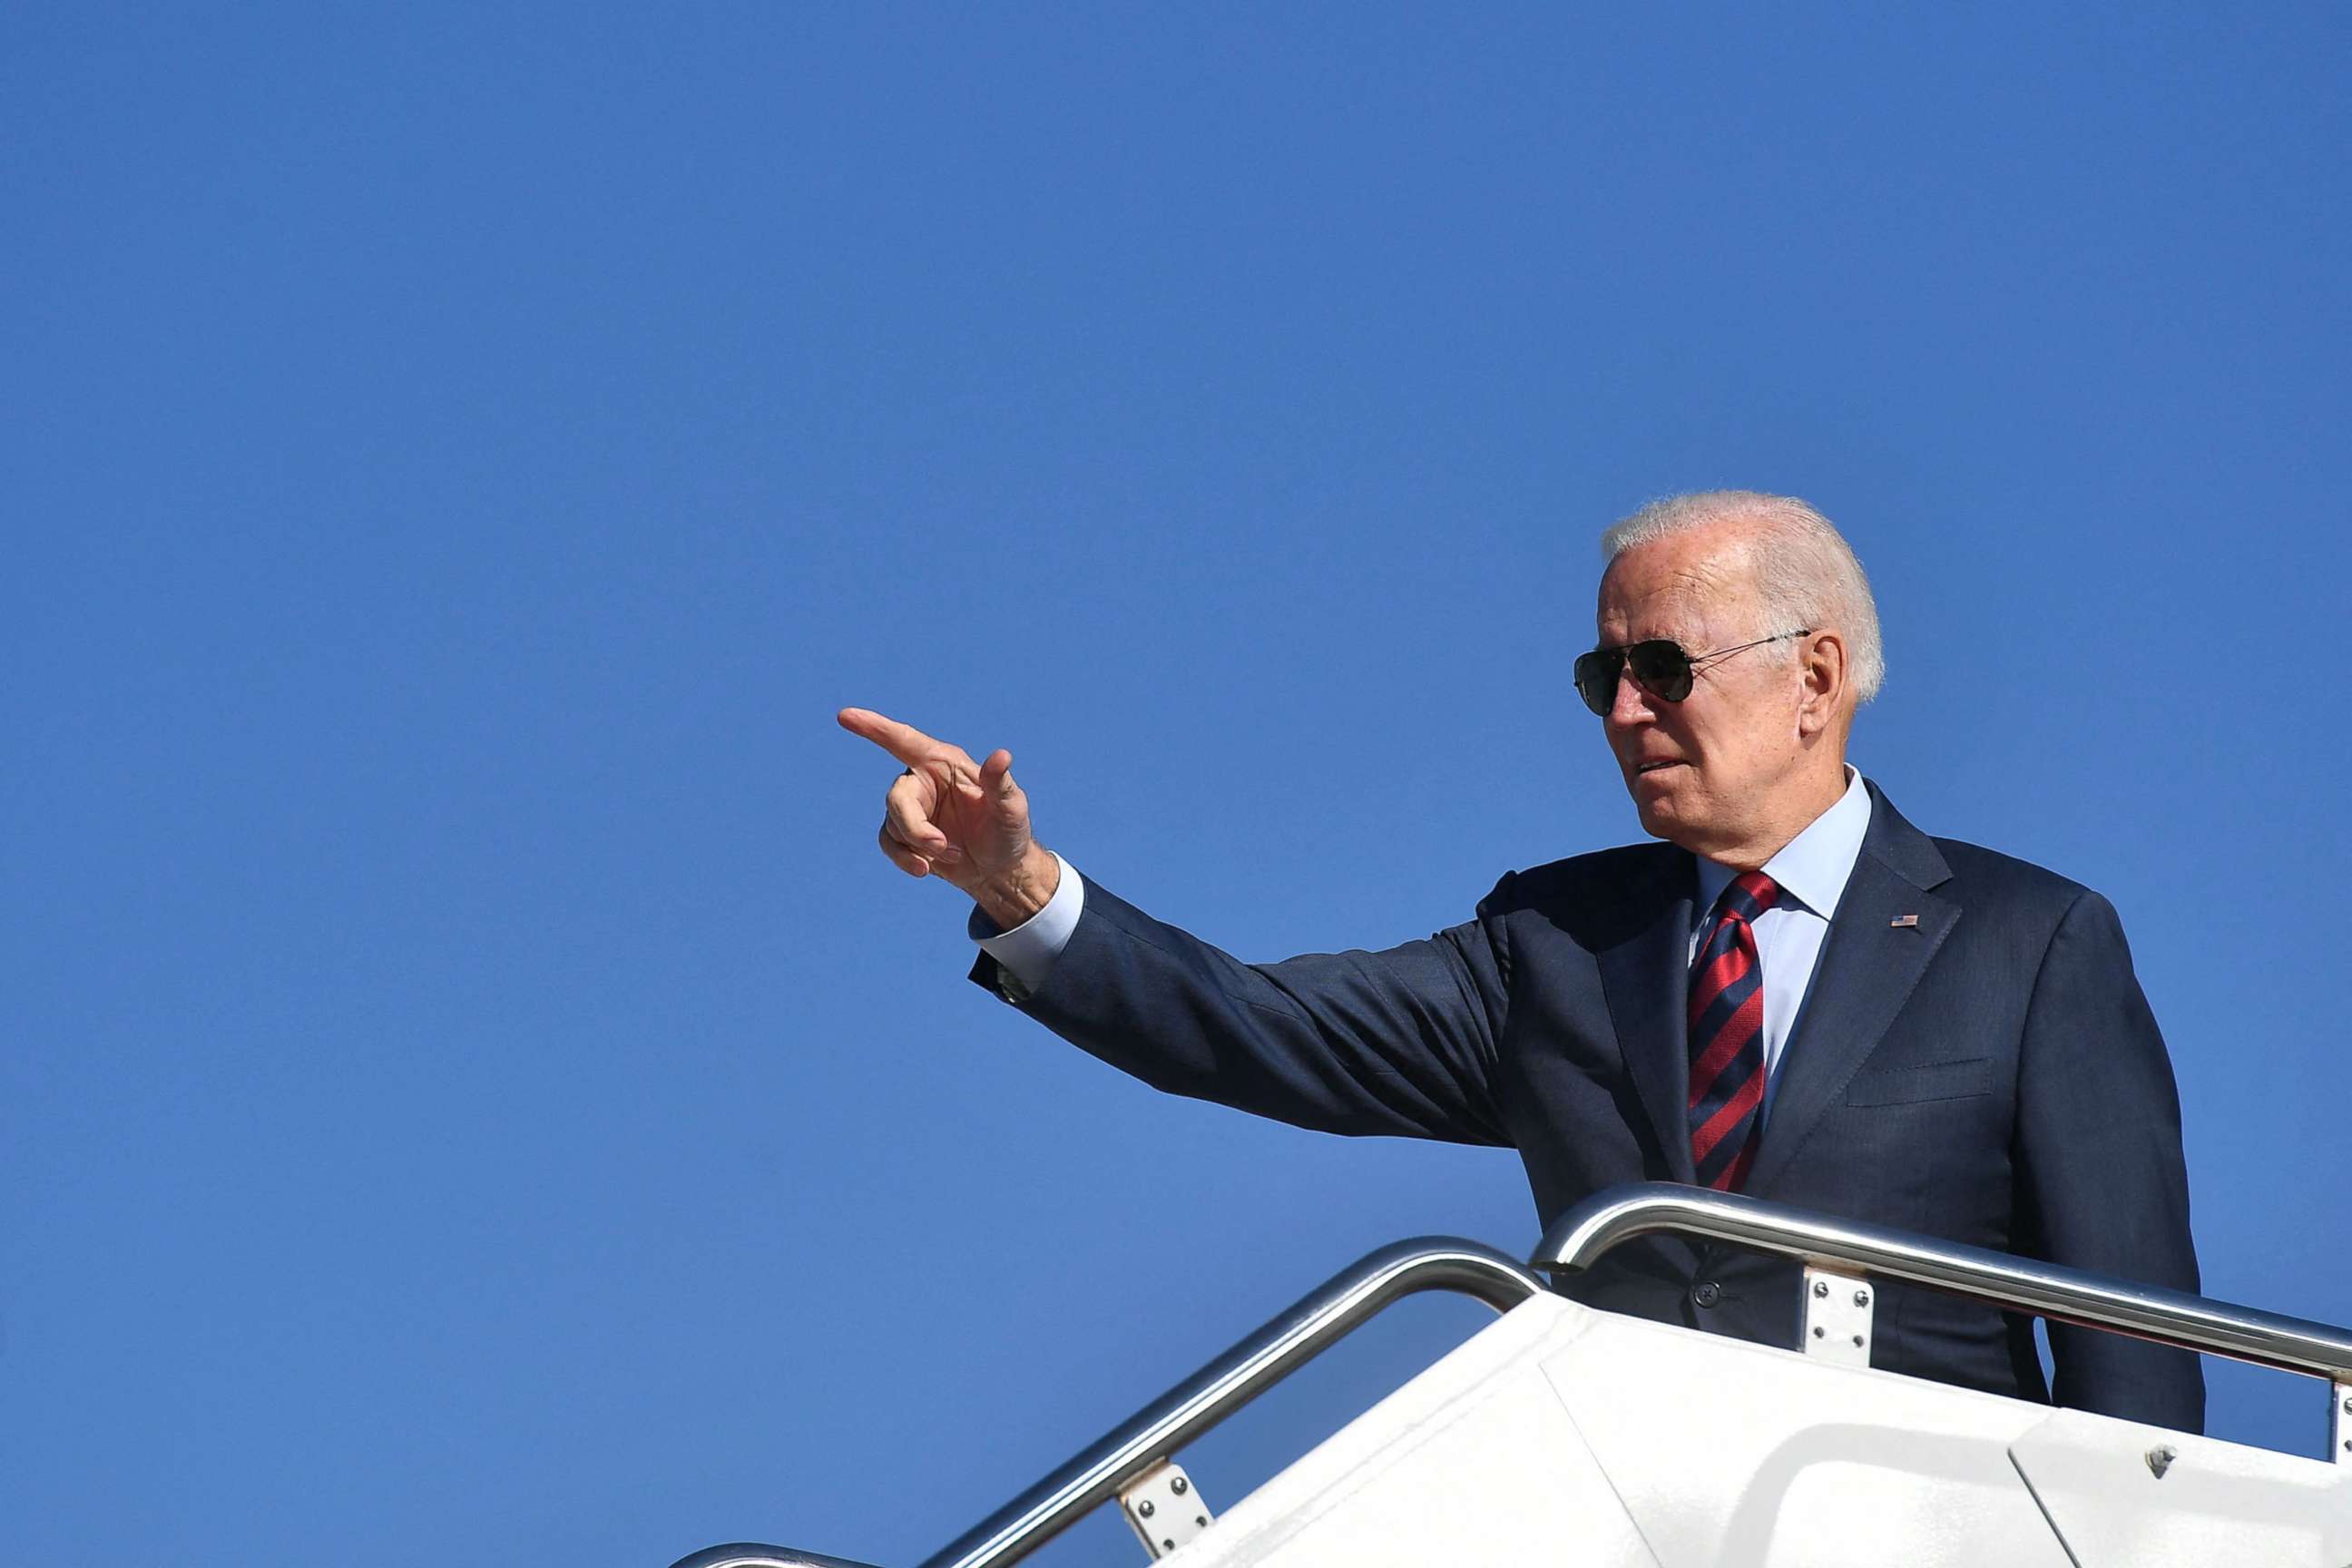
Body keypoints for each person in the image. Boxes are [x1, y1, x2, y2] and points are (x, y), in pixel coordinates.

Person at [838, 490, 2202, 1429]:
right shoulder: (1553, 945)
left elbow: (2137, 1355)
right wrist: (1013, 883)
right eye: (1599, 676)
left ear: (1816, 676)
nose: (1622, 711)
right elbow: (1252, 1026)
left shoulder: (2030, 943)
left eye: (1664, 667)